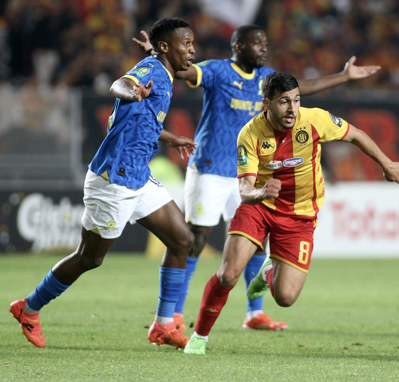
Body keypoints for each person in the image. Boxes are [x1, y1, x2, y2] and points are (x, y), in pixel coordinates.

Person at [134, 24, 381, 332]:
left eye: (265, 43)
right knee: (196, 240)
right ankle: (175, 313)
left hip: (251, 176)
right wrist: (158, 57)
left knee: (255, 245)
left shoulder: (268, 80)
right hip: (210, 168)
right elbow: (184, 72)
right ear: (238, 46)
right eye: (257, 44)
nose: (264, 48)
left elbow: (304, 86)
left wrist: (344, 76)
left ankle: (254, 314)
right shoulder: (218, 71)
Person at [183, 71, 399, 354]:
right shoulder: (250, 134)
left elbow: (356, 135)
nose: (292, 109)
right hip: (259, 207)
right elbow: (244, 189)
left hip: (300, 215)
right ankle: (199, 337)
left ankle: (268, 273)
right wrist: (261, 193)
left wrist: (386, 164)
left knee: (286, 298)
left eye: (296, 100)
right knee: (228, 274)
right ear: (266, 104)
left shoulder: (315, 120)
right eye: (284, 102)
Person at [9, 17, 198, 350]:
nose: (192, 50)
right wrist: (131, 89)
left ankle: (163, 325)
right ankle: (29, 307)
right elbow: (119, 86)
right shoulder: (151, 72)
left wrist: (168, 137)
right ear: (167, 48)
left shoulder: (163, 72)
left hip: (138, 174)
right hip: (114, 179)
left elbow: (139, 119)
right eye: (186, 44)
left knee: (182, 239)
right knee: (89, 258)